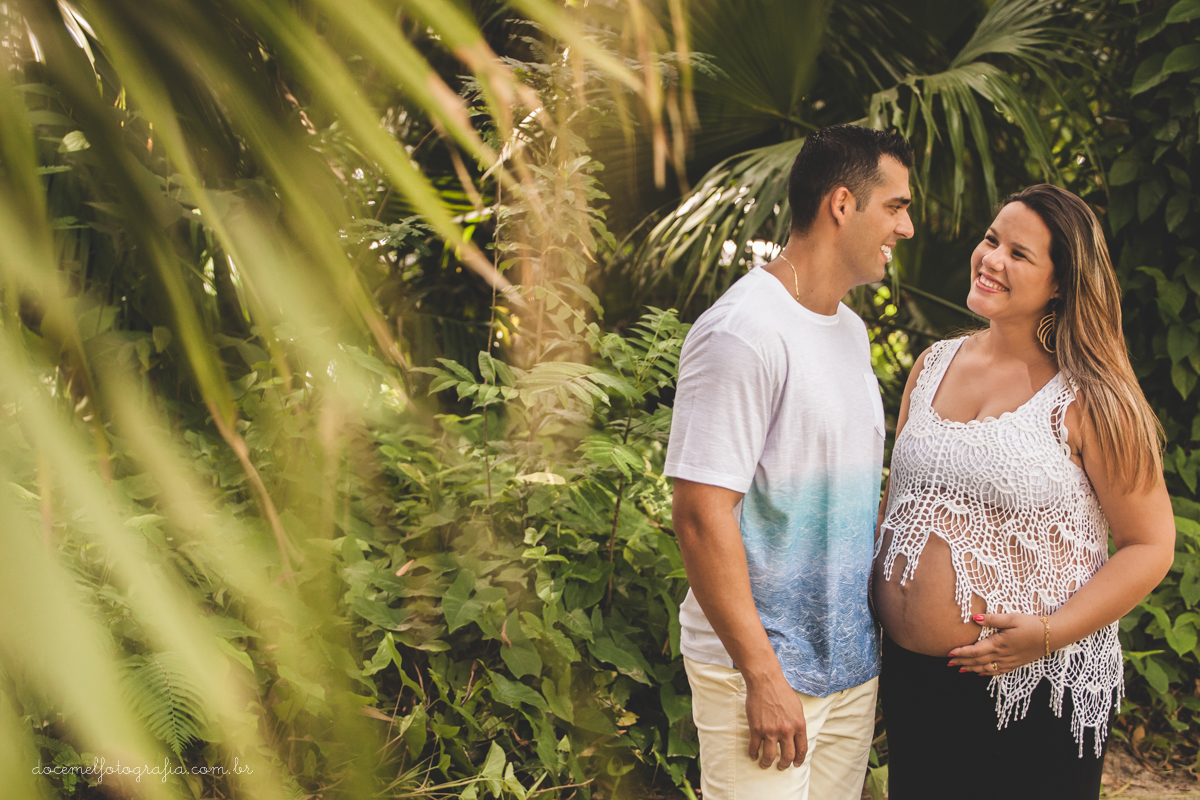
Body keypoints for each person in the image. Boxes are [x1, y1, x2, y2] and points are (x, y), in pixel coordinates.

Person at [872, 184, 1176, 800]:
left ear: (1061, 283)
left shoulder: (1092, 397)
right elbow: (898, 508)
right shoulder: (932, 363)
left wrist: (1046, 633)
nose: (991, 259)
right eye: (991, 240)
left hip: (1034, 680)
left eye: (1019, 253)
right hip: (913, 678)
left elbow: (1150, 546)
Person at [666, 124, 914, 800]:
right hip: (764, 670)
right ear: (842, 204)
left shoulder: (852, 332)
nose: (908, 227)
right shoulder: (743, 332)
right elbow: (698, 515)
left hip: (848, 668)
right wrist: (762, 674)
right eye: (896, 206)